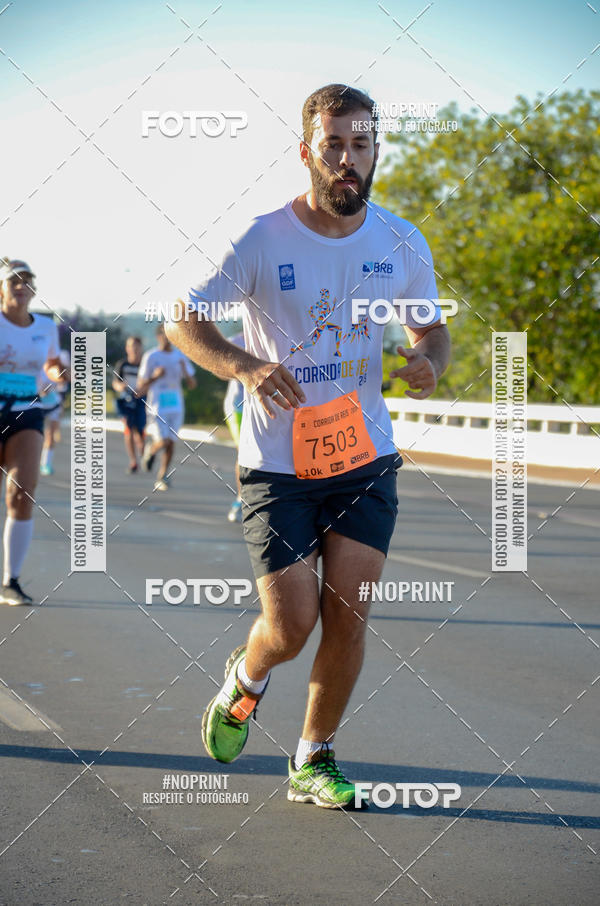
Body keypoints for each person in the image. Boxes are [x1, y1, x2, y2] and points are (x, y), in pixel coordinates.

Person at [166, 84, 451, 808]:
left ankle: (313, 759)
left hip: (362, 455)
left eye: (360, 145)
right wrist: (247, 367)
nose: (347, 161)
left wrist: (430, 362)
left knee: (348, 614)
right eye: (333, 146)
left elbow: (431, 330)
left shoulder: (401, 241)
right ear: (306, 153)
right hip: (277, 465)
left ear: (376, 151)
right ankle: (248, 677)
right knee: (291, 627)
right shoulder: (262, 238)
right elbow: (182, 319)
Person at [0, 259, 69, 605]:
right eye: (13, 280)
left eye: (26, 280)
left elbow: (51, 364)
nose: (20, 286)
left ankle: (10, 581)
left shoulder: (44, 326)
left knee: (22, 491)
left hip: (27, 410)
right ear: (2, 288)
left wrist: (60, 372)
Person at [137, 323, 196, 491]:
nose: (169, 338)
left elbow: (192, 384)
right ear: (159, 336)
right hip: (157, 407)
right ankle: (150, 450)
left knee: (170, 442)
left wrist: (185, 370)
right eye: (165, 334)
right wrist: (155, 377)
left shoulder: (180, 356)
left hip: (176, 406)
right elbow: (141, 384)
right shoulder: (151, 356)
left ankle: (162, 476)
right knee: (162, 441)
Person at [112, 336, 147, 473]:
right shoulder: (123, 364)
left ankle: (143, 451)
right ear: (127, 348)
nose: (133, 349)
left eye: (136, 346)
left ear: (141, 348)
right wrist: (120, 386)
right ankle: (133, 461)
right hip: (125, 399)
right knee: (128, 428)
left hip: (141, 399)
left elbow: (150, 382)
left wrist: (142, 390)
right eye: (130, 346)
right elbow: (115, 383)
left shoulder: (145, 365)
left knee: (139, 431)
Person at [223, 331, 245, 522]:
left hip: (264, 405)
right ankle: (240, 499)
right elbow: (220, 368)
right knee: (244, 452)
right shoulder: (234, 342)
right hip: (238, 405)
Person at [40, 348, 71, 476]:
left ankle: (46, 463)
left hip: (54, 402)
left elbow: (67, 377)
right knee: (36, 435)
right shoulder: (38, 354)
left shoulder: (62, 355)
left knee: (50, 434)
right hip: (37, 403)